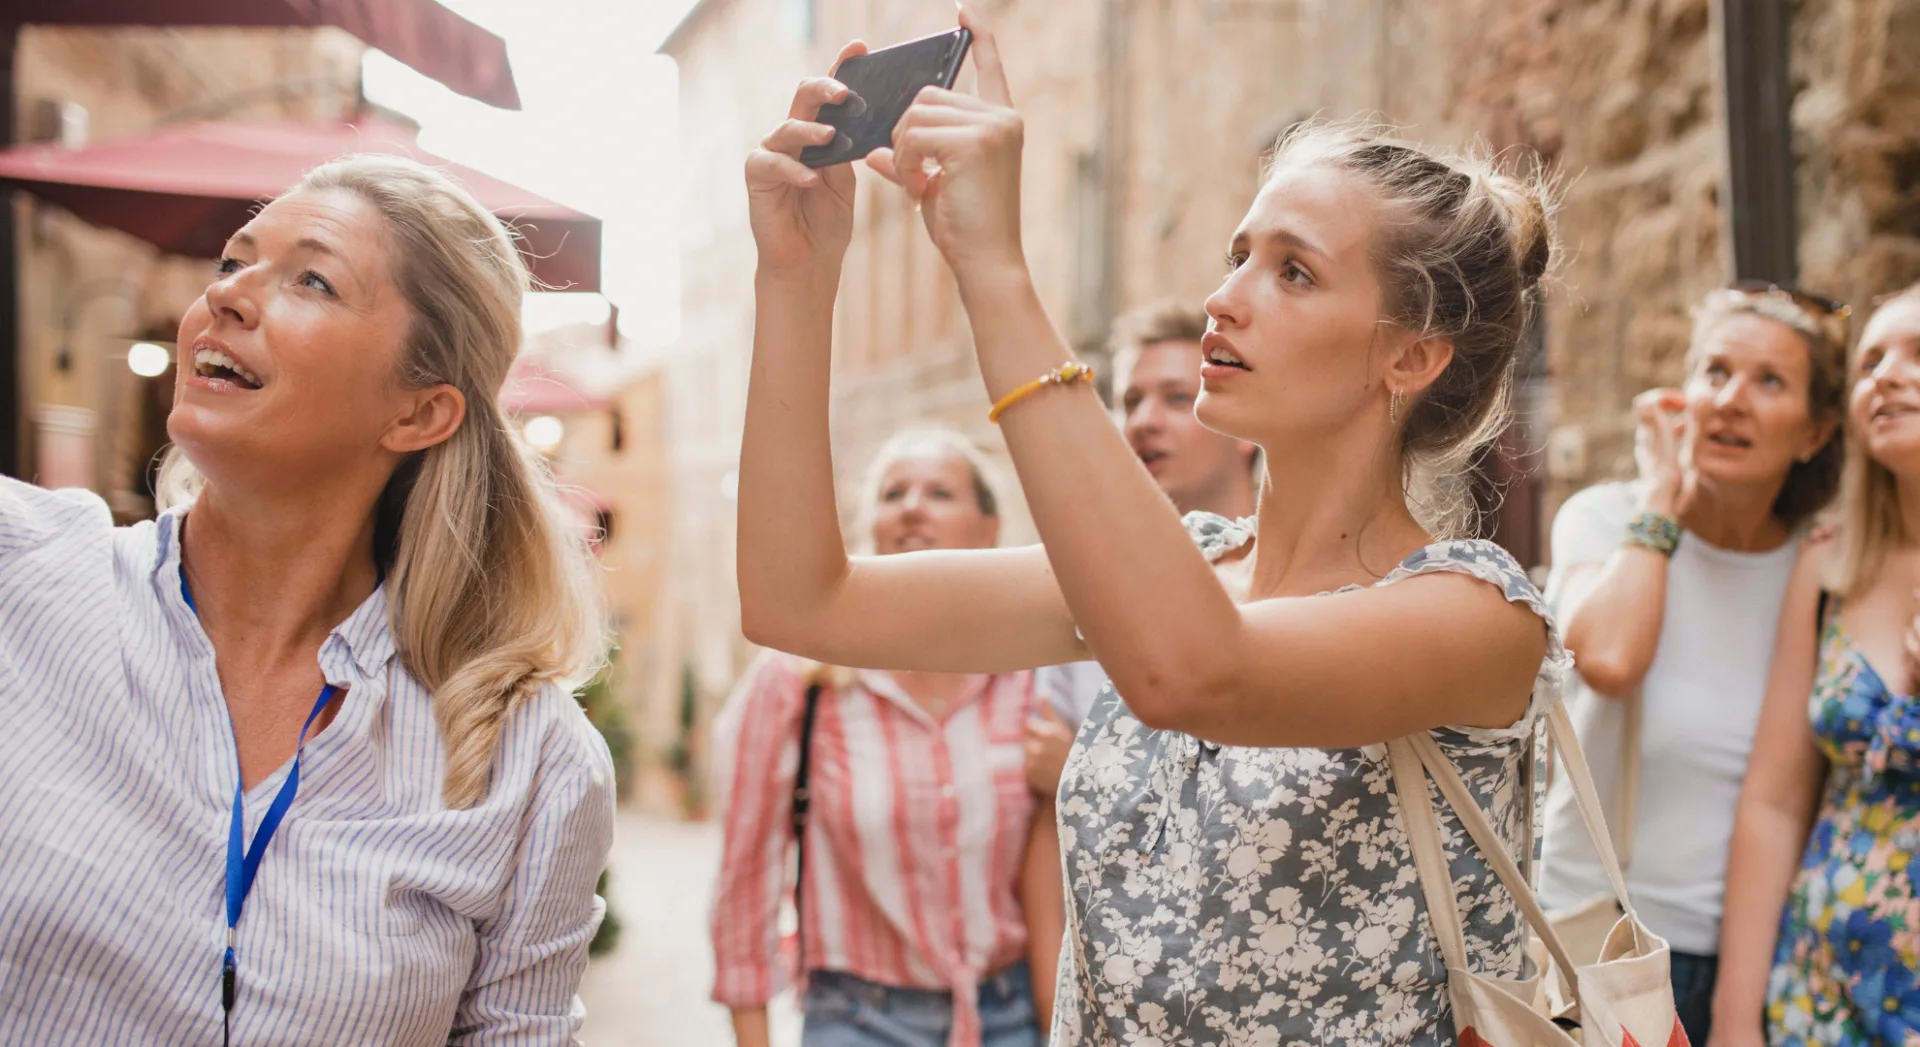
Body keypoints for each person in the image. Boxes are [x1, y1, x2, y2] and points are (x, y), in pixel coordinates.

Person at [737, 10, 1565, 1044]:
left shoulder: (1477, 613)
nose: (1223, 298)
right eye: (1238, 255)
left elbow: (1192, 675)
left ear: (1410, 357)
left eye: (1293, 272)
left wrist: (996, 271)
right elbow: (798, 599)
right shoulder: (1192, 571)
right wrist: (797, 276)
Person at [0, 156, 615, 1044]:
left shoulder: (531, 762)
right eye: (232, 262)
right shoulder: (26, 572)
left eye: (312, 280)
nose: (230, 296)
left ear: (418, 414)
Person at [1538, 283, 1847, 1044]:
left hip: (1754, 964)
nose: (1731, 400)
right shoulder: (1611, 522)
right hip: (1596, 949)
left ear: (1815, 432)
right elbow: (1608, 657)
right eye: (1714, 372)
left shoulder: (1824, 569)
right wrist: (1663, 503)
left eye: (1768, 381)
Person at [709, 426, 1054, 1047]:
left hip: (1013, 1013)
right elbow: (746, 877)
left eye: (939, 492)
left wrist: (1073, 777)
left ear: (989, 531)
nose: (912, 506)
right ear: (869, 530)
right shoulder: (800, 681)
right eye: (894, 492)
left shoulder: (1032, 678)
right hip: (857, 1019)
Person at [1712, 284, 1920, 1047]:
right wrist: (1737, 1022)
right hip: (1818, 998)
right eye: (1871, 361)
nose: (1887, 375)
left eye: (1917, 356)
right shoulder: (1830, 565)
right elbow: (1774, 803)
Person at [1025, 300, 1261, 783]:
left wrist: (1081, 775)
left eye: (1177, 398)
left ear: (1245, 429)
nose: (1143, 422)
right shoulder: (1085, 591)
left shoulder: (1298, 574)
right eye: (1131, 401)